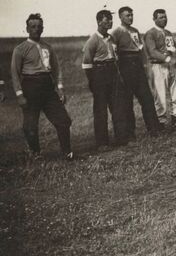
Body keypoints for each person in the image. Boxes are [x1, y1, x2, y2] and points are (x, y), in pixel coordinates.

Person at [10, 14, 74, 160]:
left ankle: (67, 152)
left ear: (43, 28)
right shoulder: (20, 49)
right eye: (33, 26)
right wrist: (20, 95)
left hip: (47, 87)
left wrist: (60, 88)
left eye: (39, 27)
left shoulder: (48, 47)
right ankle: (35, 154)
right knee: (30, 125)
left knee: (63, 120)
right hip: (30, 87)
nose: (36, 29)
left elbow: (56, 69)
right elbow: (14, 73)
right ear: (27, 29)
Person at [111, 6, 165, 136]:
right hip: (125, 65)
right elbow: (114, 53)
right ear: (120, 17)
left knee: (147, 98)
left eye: (131, 15)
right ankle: (130, 133)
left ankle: (154, 129)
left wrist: (146, 67)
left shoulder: (135, 31)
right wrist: (119, 72)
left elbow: (142, 50)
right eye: (127, 15)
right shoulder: (116, 32)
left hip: (138, 66)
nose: (130, 18)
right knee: (127, 101)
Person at [82, 9, 128, 149]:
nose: (109, 22)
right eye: (106, 19)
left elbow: (116, 57)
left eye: (110, 19)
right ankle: (102, 143)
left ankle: (121, 139)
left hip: (112, 73)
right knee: (100, 110)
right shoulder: (92, 41)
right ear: (98, 21)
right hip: (99, 74)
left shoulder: (112, 39)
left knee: (118, 107)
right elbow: (86, 64)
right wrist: (92, 81)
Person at [145, 9, 176, 131]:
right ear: (154, 19)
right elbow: (152, 51)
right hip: (158, 66)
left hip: (170, 66)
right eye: (161, 17)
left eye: (165, 17)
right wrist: (168, 59)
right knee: (160, 96)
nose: (164, 19)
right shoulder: (150, 33)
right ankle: (161, 123)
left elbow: (174, 45)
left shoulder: (168, 32)